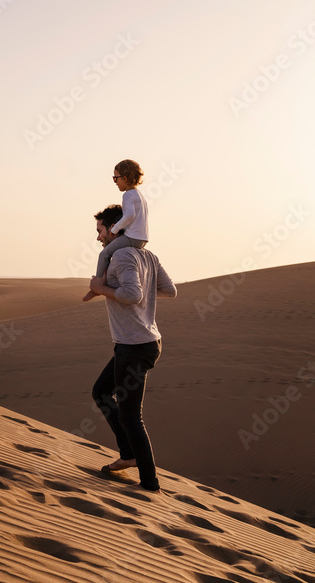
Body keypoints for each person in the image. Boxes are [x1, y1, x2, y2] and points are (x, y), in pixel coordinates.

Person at [87, 203, 176, 492]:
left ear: (114, 229)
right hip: (145, 343)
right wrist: (141, 296)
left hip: (133, 346)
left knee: (130, 416)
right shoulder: (148, 256)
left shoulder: (122, 255)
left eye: (100, 230)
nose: (98, 237)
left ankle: (149, 482)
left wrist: (103, 290)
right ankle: (128, 455)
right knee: (101, 392)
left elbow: (132, 294)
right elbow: (169, 291)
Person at [82, 159, 149, 302]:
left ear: (125, 178)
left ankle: (97, 286)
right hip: (143, 238)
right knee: (110, 253)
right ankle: (102, 283)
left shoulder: (128, 195)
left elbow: (130, 215)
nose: (115, 182)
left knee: (104, 254)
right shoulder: (141, 196)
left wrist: (116, 228)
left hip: (133, 238)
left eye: (115, 178)